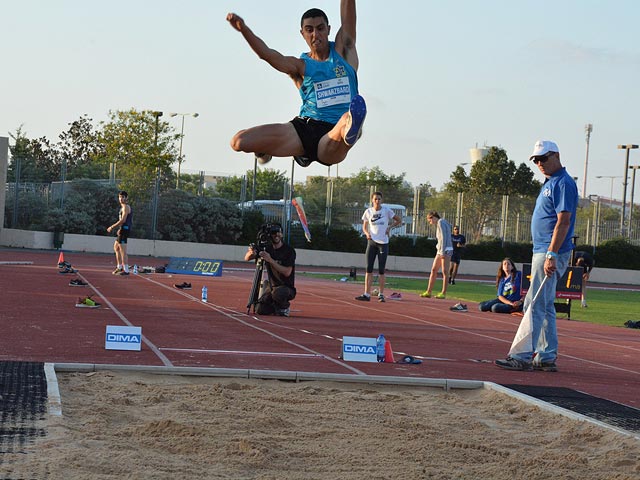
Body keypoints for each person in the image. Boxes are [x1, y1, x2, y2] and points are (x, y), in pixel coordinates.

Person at [226, 0, 366, 169]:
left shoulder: (344, 52)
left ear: (328, 29)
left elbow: (348, 16)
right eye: (309, 30)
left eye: (320, 28)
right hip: (305, 129)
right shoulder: (300, 66)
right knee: (238, 142)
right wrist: (244, 29)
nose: (315, 34)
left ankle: (351, 129)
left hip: (332, 135)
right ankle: (263, 149)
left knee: (345, 121)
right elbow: (268, 55)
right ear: (302, 33)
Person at [496, 140, 578, 372]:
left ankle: (521, 355)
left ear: (556, 156)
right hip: (543, 250)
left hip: (549, 252)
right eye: (536, 160)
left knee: (534, 303)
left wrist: (552, 252)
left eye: (543, 158)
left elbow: (563, 221)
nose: (539, 163)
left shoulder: (563, 183)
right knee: (545, 305)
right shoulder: (551, 182)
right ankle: (546, 355)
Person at [355, 192, 402, 303]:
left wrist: (389, 228)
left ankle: (381, 294)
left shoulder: (386, 211)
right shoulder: (368, 211)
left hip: (383, 243)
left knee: (381, 270)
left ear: (382, 200)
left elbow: (398, 220)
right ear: (372, 200)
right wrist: (367, 233)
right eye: (375, 199)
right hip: (372, 242)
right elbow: (364, 227)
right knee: (368, 269)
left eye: (379, 199)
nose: (377, 201)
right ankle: (366, 294)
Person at [244, 223, 296, 316]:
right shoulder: (267, 249)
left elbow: (287, 272)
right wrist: (252, 252)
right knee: (260, 310)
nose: (276, 235)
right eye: (273, 233)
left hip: (286, 288)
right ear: (269, 235)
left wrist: (270, 260)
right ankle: (276, 307)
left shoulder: (289, 251)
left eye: (279, 232)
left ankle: (285, 307)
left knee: (278, 293)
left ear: (282, 234)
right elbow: (247, 258)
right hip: (272, 287)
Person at [420, 212, 453, 299]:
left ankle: (443, 293)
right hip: (440, 250)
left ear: (433, 217)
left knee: (445, 271)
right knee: (434, 269)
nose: (429, 222)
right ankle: (428, 291)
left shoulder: (441, 222)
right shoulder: (442, 222)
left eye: (429, 219)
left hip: (445, 250)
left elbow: (444, 237)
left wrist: (442, 252)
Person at [106, 191, 132, 276]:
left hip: (125, 230)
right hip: (122, 229)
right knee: (116, 247)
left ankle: (126, 270)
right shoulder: (122, 207)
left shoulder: (126, 207)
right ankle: (119, 267)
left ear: (126, 198)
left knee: (123, 251)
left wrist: (112, 227)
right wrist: (119, 228)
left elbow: (123, 220)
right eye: (120, 197)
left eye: (123, 197)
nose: (121, 199)